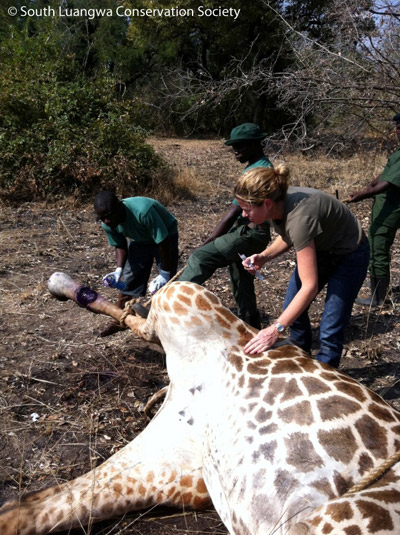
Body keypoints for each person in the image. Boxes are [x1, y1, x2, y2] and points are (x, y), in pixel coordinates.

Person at [235, 165, 369, 369]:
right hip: (323, 248)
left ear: (267, 204)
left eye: (246, 209)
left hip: (350, 254)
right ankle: (302, 362)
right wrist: (263, 257)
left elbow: (309, 287)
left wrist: (275, 329)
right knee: (292, 311)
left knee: (330, 329)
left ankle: (325, 377)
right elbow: (289, 235)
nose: (244, 215)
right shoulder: (278, 204)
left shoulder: (299, 218)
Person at [179, 123, 272, 328]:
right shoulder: (258, 166)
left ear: (256, 144)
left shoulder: (258, 172)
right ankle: (251, 324)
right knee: (240, 277)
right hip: (251, 231)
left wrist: (209, 241)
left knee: (201, 258)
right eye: (233, 146)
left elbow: (233, 212)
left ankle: (170, 302)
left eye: (241, 146)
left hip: (251, 232)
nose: (235, 151)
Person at [94, 191, 179, 337]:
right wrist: (118, 270)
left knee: (167, 284)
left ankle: (171, 322)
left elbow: (163, 242)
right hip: (140, 239)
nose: (106, 221)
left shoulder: (143, 211)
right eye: (102, 218)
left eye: (108, 216)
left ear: (119, 207)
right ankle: (120, 318)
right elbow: (120, 245)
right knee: (129, 279)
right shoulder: (108, 222)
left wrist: (164, 274)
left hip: (166, 236)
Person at [347, 113, 400, 306]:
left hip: (391, 210)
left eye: (399, 128)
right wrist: (368, 187)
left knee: (378, 249)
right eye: (397, 128)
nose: (397, 132)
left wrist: (365, 194)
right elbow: (387, 173)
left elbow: (387, 183)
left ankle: (379, 298)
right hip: (386, 207)